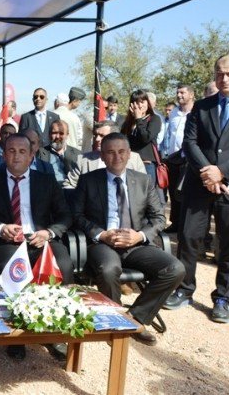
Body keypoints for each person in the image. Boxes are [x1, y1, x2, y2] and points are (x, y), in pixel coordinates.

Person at [74, 132, 185, 344]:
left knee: (175, 269)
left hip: (136, 244)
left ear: (129, 154)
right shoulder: (89, 181)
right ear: (103, 156)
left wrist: (139, 235)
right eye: (110, 152)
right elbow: (76, 216)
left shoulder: (143, 181)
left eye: (121, 151)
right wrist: (101, 234)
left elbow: (159, 218)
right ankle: (114, 322)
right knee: (108, 269)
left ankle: (134, 318)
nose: (117, 157)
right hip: (104, 243)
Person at [0, 133, 74, 360]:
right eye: (11, 151)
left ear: (31, 155)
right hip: (10, 241)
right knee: (10, 269)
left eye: (22, 151)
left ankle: (54, 332)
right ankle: (17, 335)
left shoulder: (46, 181)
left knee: (63, 265)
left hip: (41, 238)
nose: (16, 156)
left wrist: (49, 233)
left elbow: (65, 216)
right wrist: (1, 228)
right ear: (3, 155)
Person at [164, 55, 229, 323]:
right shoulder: (201, 107)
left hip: (226, 186)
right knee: (188, 238)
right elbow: (189, 143)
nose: (223, 78)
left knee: (227, 244)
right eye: (218, 73)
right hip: (198, 184)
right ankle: (184, 289)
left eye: (227, 73)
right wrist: (207, 171)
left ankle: (223, 297)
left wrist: (222, 172)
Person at [64, 121, 146, 190]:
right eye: (96, 135)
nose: (97, 139)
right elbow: (69, 185)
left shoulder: (134, 159)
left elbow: (144, 186)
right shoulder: (84, 160)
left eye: (102, 136)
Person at [162, 85, 195, 232]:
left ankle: (186, 225)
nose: (179, 95)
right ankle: (175, 223)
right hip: (173, 158)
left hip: (190, 159)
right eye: (177, 92)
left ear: (191, 95)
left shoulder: (198, 111)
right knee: (174, 192)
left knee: (188, 193)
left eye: (182, 92)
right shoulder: (174, 112)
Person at [121, 89, 163, 203]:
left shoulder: (154, 119)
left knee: (146, 198)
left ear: (147, 103)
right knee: (130, 197)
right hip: (129, 164)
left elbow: (146, 138)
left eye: (142, 102)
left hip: (146, 165)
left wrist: (139, 119)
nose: (140, 105)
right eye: (136, 102)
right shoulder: (128, 122)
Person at [38, 120, 81, 186]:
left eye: (61, 133)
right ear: (49, 134)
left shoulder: (78, 154)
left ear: (67, 135)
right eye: (54, 133)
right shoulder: (40, 153)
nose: (57, 137)